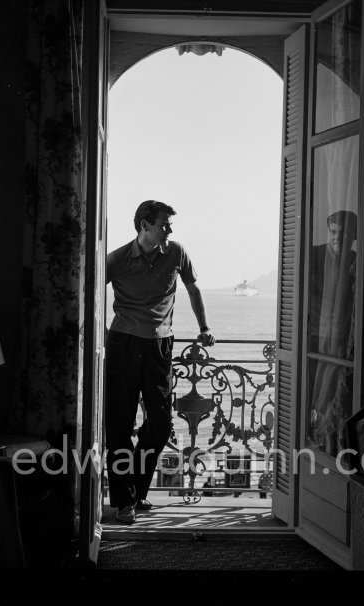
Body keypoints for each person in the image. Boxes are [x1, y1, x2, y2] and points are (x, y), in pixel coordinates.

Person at [105, 200, 216, 524]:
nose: (169, 229)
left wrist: (204, 328)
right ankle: (125, 501)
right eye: (164, 224)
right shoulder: (118, 258)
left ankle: (136, 490)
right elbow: (91, 289)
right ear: (144, 225)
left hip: (159, 345)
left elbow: (193, 289)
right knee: (120, 425)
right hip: (123, 343)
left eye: (169, 224)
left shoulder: (176, 253)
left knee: (161, 424)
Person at [308, 210, 357, 456]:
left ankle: (331, 449)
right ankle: (317, 445)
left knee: (336, 397)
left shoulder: (357, 262)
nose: (337, 237)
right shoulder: (313, 256)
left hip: (341, 341)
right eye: (333, 232)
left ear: (355, 235)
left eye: (344, 232)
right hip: (314, 341)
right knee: (313, 398)